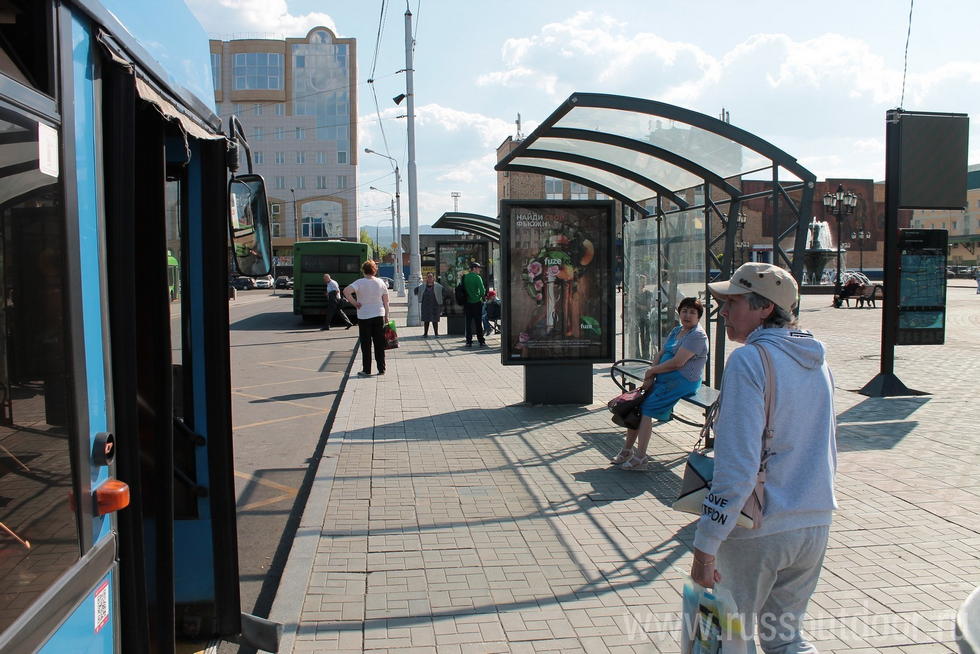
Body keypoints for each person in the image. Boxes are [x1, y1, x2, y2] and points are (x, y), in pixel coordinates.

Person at [690, 262, 837, 654]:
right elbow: (827, 446)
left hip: (758, 528)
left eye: (733, 302)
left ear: (765, 308)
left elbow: (737, 465)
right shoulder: (818, 361)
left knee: (727, 636)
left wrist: (706, 543)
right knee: (785, 638)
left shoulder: (749, 361)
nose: (723, 312)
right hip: (813, 521)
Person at [612, 297, 708, 471]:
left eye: (692, 312)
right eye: (684, 311)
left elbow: (678, 363)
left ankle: (641, 458)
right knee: (637, 406)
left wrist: (652, 372)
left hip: (682, 381)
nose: (687, 315)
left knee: (646, 408)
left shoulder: (697, 335)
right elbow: (661, 353)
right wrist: (651, 373)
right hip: (662, 377)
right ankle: (627, 450)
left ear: (699, 317)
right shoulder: (677, 330)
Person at [343, 260, 390, 377]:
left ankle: (367, 370)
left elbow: (346, 291)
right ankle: (381, 369)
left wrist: (355, 303)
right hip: (379, 315)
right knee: (379, 343)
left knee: (366, 344)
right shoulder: (381, 283)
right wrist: (386, 316)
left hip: (364, 316)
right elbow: (386, 301)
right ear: (374, 270)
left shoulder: (359, 282)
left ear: (363, 270)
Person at [461, 262, 487, 348]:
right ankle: (481, 341)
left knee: (468, 323)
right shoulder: (477, 277)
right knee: (478, 322)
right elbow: (483, 291)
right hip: (476, 303)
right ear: (474, 268)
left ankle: (469, 341)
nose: (480, 270)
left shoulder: (465, 277)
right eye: (479, 268)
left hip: (467, 303)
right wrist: (479, 296)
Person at [414, 272, 445, 337]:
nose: (430, 278)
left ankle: (436, 333)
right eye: (428, 277)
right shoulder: (422, 286)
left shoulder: (438, 286)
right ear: (426, 278)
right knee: (426, 320)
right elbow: (415, 291)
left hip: (435, 305)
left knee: (435, 320)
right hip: (426, 306)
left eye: (431, 276)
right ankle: (425, 333)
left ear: (434, 278)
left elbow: (444, 292)